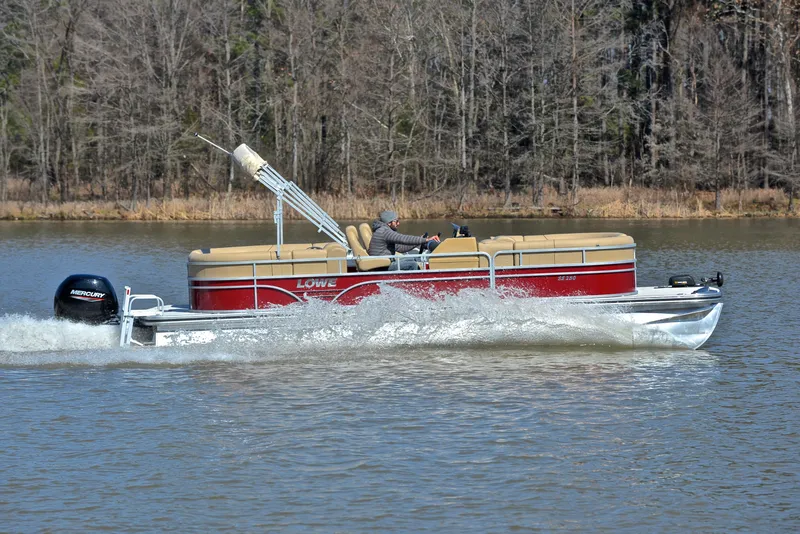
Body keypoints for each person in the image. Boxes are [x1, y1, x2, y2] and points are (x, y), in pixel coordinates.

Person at [368, 210, 440, 270]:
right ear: (389, 223)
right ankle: (416, 283)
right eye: (396, 221)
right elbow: (404, 239)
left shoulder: (383, 230)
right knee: (412, 265)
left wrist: (419, 241)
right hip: (382, 267)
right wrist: (426, 240)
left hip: (385, 263)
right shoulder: (385, 231)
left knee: (412, 259)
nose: (398, 223)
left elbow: (400, 248)